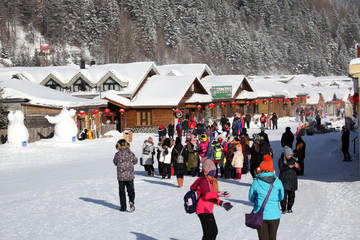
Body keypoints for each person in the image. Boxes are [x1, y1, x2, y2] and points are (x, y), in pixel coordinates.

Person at [190, 158, 233, 240]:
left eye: (214, 169)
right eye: (211, 169)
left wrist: (222, 203)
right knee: (209, 233)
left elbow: (212, 197)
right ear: (206, 170)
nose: (214, 171)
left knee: (213, 232)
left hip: (208, 209)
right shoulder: (204, 181)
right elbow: (207, 195)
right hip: (203, 209)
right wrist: (220, 193)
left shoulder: (212, 181)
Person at [249, 154, 284, 240]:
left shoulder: (256, 182)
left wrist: (257, 199)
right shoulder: (278, 182)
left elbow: (251, 198)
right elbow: (281, 197)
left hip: (260, 215)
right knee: (273, 237)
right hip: (274, 215)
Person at [113, 139, 138, 212]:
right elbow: (135, 161)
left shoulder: (117, 154)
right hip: (129, 175)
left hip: (121, 176)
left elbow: (115, 162)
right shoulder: (130, 153)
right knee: (131, 190)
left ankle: (123, 207)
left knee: (122, 191)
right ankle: (131, 201)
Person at [278, 146, 299, 214]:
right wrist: (288, 167)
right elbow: (281, 168)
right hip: (284, 179)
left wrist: (297, 166)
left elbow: (297, 169)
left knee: (291, 195)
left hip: (292, 179)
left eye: (290, 155)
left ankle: (289, 207)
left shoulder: (293, 159)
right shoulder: (281, 160)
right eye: (288, 155)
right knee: (283, 195)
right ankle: (284, 208)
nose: (289, 156)